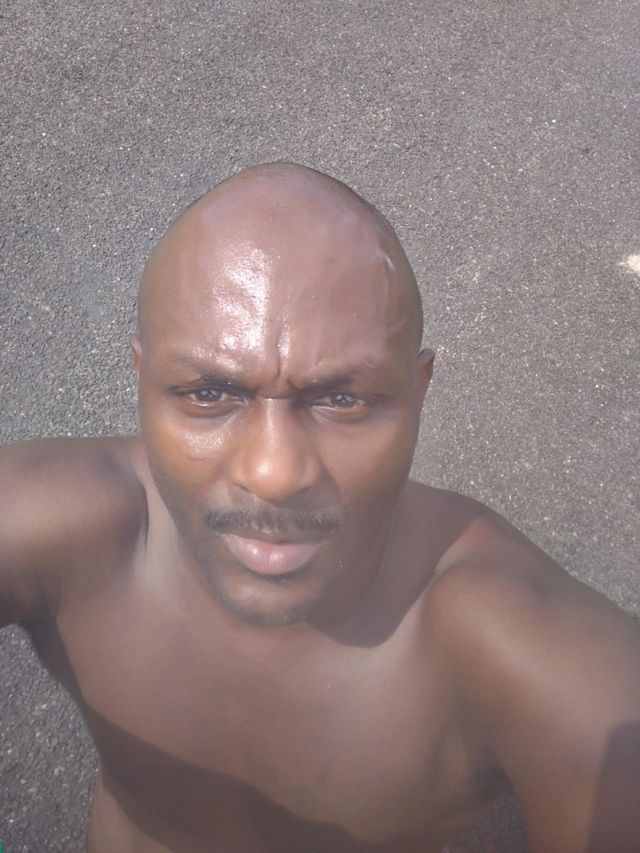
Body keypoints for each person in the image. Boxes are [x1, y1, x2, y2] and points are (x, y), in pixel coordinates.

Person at [1, 162, 639, 853]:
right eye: (209, 393)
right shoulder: (63, 531)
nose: (274, 474)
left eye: (342, 398)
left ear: (419, 391)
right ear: (141, 376)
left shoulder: (513, 643)